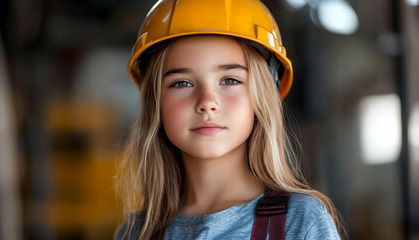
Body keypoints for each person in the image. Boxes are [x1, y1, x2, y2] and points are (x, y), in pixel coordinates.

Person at [115, 0, 344, 239]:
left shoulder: (301, 222)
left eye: (230, 80)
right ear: (155, 103)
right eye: (181, 83)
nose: (207, 102)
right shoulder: (135, 233)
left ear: (262, 95)